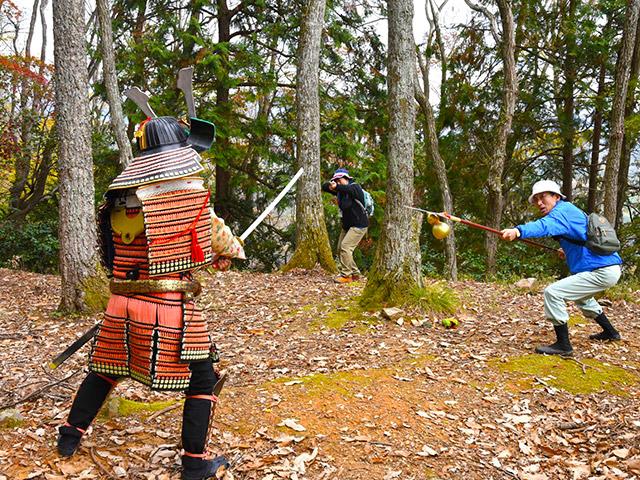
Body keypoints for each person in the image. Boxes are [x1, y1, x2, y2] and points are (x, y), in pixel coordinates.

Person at [56, 114, 245, 480]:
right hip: (165, 309)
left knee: (105, 369)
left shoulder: (116, 202)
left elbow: (113, 257)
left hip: (120, 306)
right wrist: (224, 254)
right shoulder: (188, 201)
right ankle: (195, 462)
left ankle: (69, 435)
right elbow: (225, 246)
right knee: (204, 379)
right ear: (177, 155)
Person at [501, 180, 622, 356]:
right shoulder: (568, 211)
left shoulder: (562, 212)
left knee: (553, 292)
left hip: (602, 270)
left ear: (556, 196)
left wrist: (518, 231)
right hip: (606, 268)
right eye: (536, 200)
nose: (539, 203)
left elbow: (543, 226)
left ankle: (563, 345)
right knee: (584, 299)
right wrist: (566, 250)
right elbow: (581, 238)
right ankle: (611, 333)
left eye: (543, 197)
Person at [322, 168, 369, 283]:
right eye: (336, 180)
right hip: (347, 226)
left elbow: (348, 189)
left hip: (359, 225)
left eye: (340, 179)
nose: (338, 182)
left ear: (347, 179)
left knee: (346, 248)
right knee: (340, 250)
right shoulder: (340, 192)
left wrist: (336, 187)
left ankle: (346, 275)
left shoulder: (354, 187)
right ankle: (355, 273)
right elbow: (324, 187)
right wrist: (331, 185)